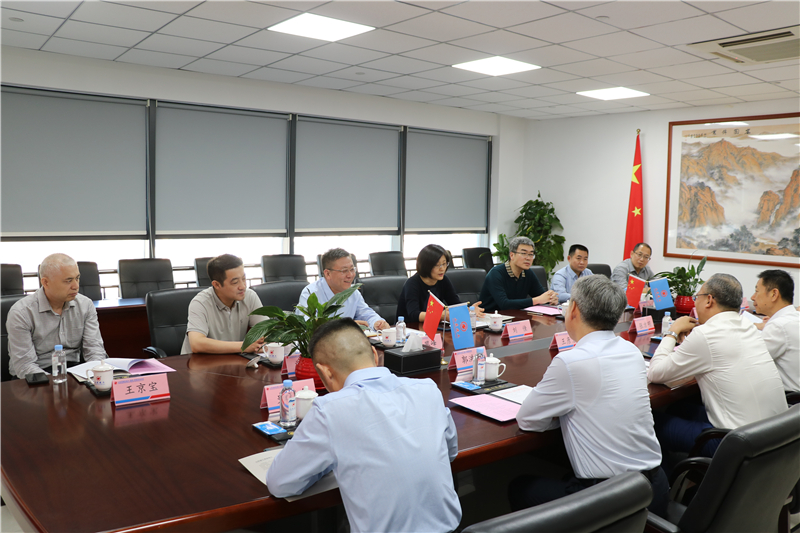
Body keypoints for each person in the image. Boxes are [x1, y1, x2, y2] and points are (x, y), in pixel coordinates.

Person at [266, 318, 461, 532]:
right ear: (375, 355)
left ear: (325, 372)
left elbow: (280, 483)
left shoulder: (329, 410)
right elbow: (450, 452)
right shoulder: (428, 389)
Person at [510, 275, 667, 517]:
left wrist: (562, 417)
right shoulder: (631, 351)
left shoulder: (571, 361)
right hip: (654, 487)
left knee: (520, 487)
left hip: (609, 499)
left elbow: (528, 420)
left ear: (573, 309)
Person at [648, 273, 787, 456]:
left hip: (735, 443)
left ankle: (667, 475)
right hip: (776, 436)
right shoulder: (748, 326)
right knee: (677, 408)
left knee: (649, 421)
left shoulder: (706, 334)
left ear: (709, 300)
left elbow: (655, 373)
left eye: (697, 297)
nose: (695, 303)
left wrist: (672, 332)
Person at [7, 253, 107, 378]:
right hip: (36, 374)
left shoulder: (85, 305)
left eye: (77, 278)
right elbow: (25, 365)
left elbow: (94, 350)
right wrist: (56, 382)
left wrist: (96, 374)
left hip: (74, 370)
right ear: (46, 282)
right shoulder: (21, 312)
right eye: (68, 281)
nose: (76, 286)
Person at [181, 254, 266, 354]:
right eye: (235, 282)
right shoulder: (200, 303)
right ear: (217, 285)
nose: (243, 286)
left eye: (243, 279)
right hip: (199, 361)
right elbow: (197, 344)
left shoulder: (250, 296)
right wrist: (244, 346)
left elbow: (267, 331)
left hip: (233, 359)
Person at [297, 248, 389, 330]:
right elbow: (308, 326)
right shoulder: (310, 293)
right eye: (344, 271)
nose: (350, 275)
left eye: (352, 269)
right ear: (327, 274)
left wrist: (377, 323)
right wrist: (346, 326)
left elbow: (366, 314)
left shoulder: (353, 292)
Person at [397, 244, 483, 322]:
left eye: (444, 264)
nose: (442, 269)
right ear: (426, 266)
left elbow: (455, 304)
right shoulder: (412, 284)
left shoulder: (443, 280)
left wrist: (469, 310)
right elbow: (414, 314)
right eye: (437, 265)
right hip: (409, 329)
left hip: (434, 327)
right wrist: (440, 315)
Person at [478, 236, 558, 311]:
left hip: (516, 316)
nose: (528, 258)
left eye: (531, 254)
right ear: (512, 255)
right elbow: (504, 304)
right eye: (523, 253)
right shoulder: (496, 274)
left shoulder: (528, 273)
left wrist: (551, 298)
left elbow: (542, 295)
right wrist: (537, 300)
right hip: (491, 317)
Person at [751, 269, 799, 393]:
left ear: (774, 294)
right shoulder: (794, 318)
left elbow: (750, 361)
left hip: (789, 400)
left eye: (757, 291)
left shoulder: (778, 326)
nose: (752, 297)